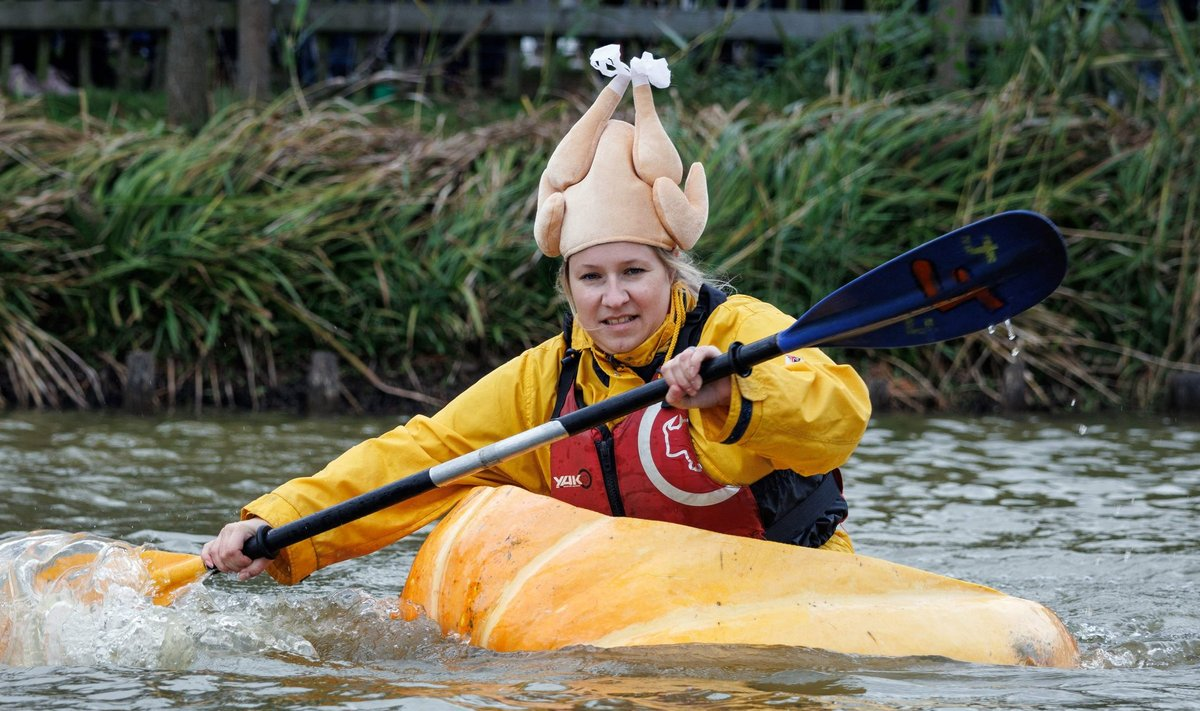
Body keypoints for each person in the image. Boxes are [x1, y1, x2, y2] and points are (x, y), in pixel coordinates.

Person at [202, 45, 872, 585]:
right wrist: (276, 523)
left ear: (670, 272)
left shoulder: (737, 331)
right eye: (592, 277)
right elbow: (418, 456)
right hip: (647, 607)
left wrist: (735, 389)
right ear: (568, 284)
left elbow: (838, 416)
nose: (614, 297)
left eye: (634, 272)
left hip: (791, 586)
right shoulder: (545, 382)